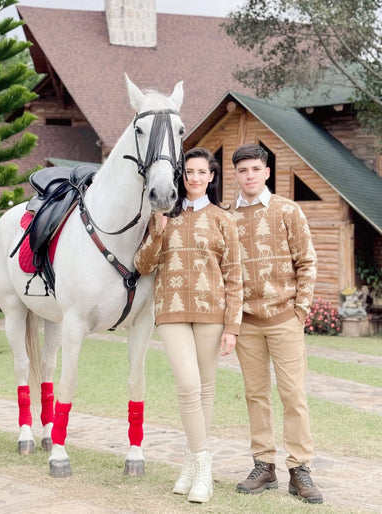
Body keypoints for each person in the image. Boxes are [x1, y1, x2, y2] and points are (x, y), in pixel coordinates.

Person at [134, 147, 243, 503]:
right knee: (188, 385)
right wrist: (159, 231)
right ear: (182, 177)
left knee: (205, 390)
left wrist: (233, 326)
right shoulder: (163, 216)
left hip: (212, 312)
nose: (194, 178)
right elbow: (143, 265)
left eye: (201, 172)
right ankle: (204, 466)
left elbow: (234, 276)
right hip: (172, 310)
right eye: (189, 173)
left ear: (212, 177)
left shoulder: (224, 219)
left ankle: (190, 467)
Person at [231, 143, 323, 504]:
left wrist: (300, 310)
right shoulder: (227, 215)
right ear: (236, 174)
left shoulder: (288, 210)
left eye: (255, 169)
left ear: (266, 172)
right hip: (247, 322)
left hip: (285, 317)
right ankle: (263, 465)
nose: (250, 175)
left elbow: (307, 262)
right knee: (255, 395)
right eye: (243, 170)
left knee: (293, 394)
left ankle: (299, 469)